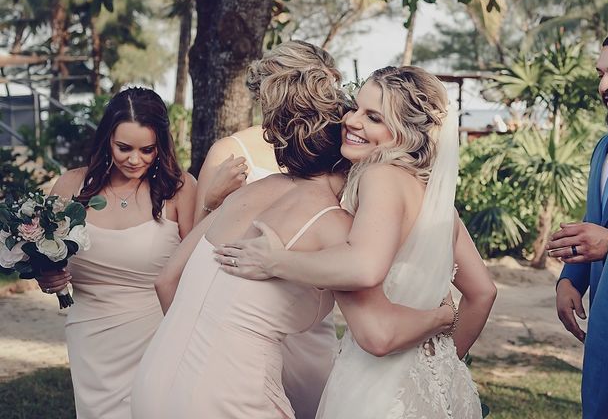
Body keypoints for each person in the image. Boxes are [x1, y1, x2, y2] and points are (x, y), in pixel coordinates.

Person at [130, 42, 459, 419]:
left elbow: (166, 281)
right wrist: (445, 316)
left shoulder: (250, 192)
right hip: (231, 397)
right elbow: (378, 334)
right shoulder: (334, 226)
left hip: (152, 384)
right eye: (355, 115)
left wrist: (196, 354)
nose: (356, 123)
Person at [216, 66, 496, 418]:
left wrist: (276, 260)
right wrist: (441, 368)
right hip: (434, 393)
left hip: (376, 389)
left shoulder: (381, 176)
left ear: (407, 134)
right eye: (356, 108)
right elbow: (483, 291)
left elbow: (363, 267)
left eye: (374, 117)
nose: (352, 120)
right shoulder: (437, 203)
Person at [36, 88, 196, 419]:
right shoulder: (70, 187)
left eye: (146, 149)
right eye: (124, 147)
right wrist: (47, 276)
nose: (134, 159)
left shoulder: (179, 189)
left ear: (161, 146)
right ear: (107, 138)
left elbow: (197, 269)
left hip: (159, 334)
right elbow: (48, 259)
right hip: (93, 340)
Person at [193, 125, 338, 419]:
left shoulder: (338, 151)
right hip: (244, 329)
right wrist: (212, 200)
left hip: (312, 323)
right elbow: (196, 250)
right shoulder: (228, 152)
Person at [550, 27, 608, 417]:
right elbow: (596, 219)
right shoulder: (607, 146)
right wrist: (571, 278)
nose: (605, 84)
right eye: (601, 74)